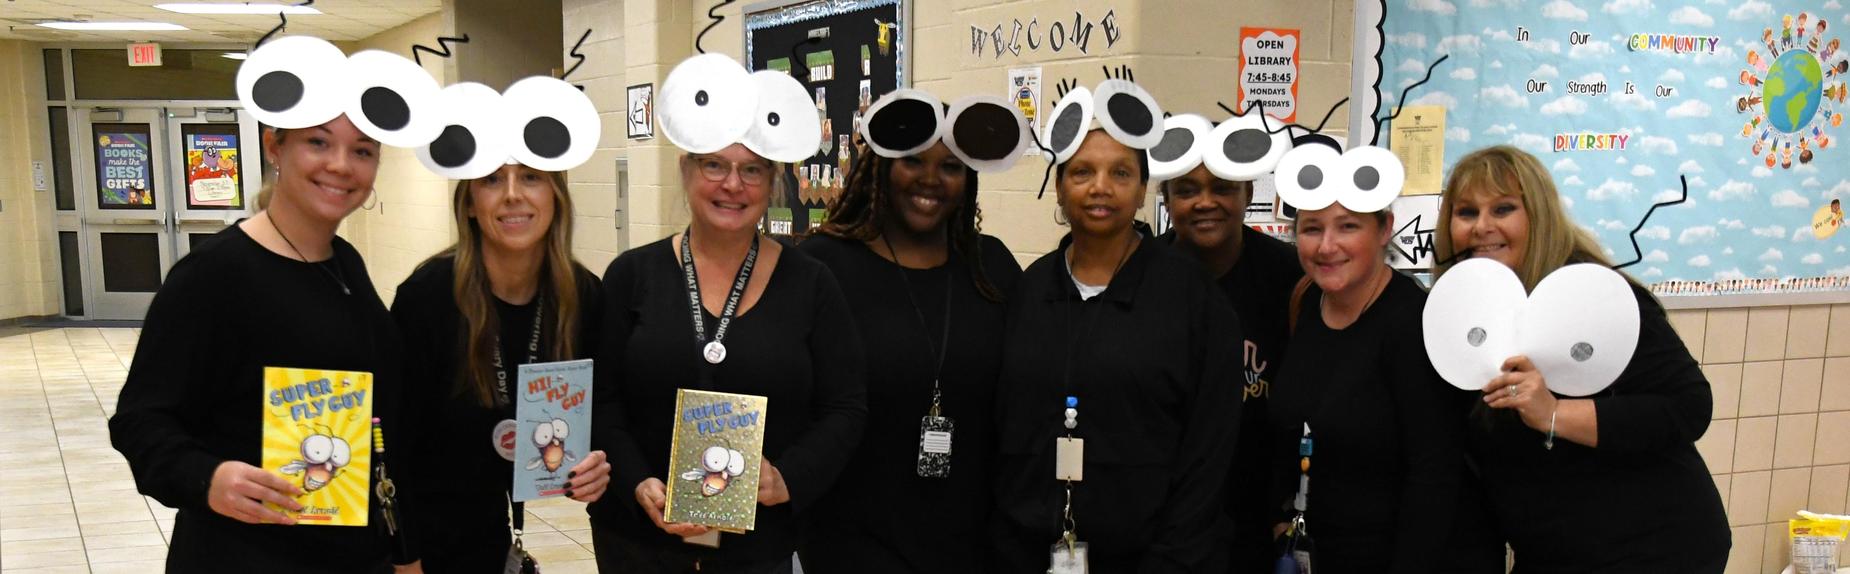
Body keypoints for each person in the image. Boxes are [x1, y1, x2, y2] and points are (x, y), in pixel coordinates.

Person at [589, 54, 867, 574]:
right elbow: (603, 401)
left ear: (773, 181)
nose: (732, 185)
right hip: (638, 539)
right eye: (714, 164)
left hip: (756, 547)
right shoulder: (632, 276)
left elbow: (846, 407)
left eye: (752, 170)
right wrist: (636, 483)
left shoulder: (812, 284)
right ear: (686, 170)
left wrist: (789, 476)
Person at [108, 116, 417, 573]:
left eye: (362, 150)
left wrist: (401, 549)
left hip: (345, 549)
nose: (341, 165)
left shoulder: (344, 264)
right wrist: (207, 479)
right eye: (318, 142)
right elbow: (140, 420)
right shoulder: (214, 275)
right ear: (275, 147)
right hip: (243, 553)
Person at [1435, 145, 1729, 573]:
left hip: (1654, 549)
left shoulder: (1596, 298)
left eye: (1503, 209)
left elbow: (1689, 407)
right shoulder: (1459, 316)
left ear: (1538, 216)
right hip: (1554, 553)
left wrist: (1554, 414)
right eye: (1466, 213)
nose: (1482, 226)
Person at [991, 125, 1244, 571]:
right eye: (1083, 172)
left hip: (1154, 558)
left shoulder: (1191, 298)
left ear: (1145, 187)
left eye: (1121, 173)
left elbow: (1209, 448)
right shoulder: (1029, 291)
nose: (1100, 188)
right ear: (1059, 186)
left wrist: (1172, 558)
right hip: (1029, 553)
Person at [1267, 139, 1500, 573]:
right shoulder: (1305, 302)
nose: (1326, 246)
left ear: (1385, 227)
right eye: (1312, 228)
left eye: (1348, 227)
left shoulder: (1416, 323)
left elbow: (1434, 477)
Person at [798, 137, 1023, 572]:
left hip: (972, 536)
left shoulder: (989, 265)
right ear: (881, 167)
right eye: (912, 160)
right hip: (853, 536)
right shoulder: (824, 266)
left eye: (951, 166)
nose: (930, 179)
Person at [390, 163, 610, 573]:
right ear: (470, 203)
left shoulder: (581, 297)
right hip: (426, 539)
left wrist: (595, 467)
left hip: (492, 537)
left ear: (555, 196)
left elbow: (605, 416)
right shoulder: (427, 297)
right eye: (492, 179)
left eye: (531, 177)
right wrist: (405, 560)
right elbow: (394, 445)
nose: (512, 194)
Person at [1156, 162, 1301, 573]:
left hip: (1261, 508)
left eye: (1221, 188)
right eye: (1186, 190)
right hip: (1164, 509)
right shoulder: (1143, 273)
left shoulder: (1289, 275)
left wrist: (1284, 508)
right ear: (1166, 200)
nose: (1205, 202)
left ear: (1247, 195)